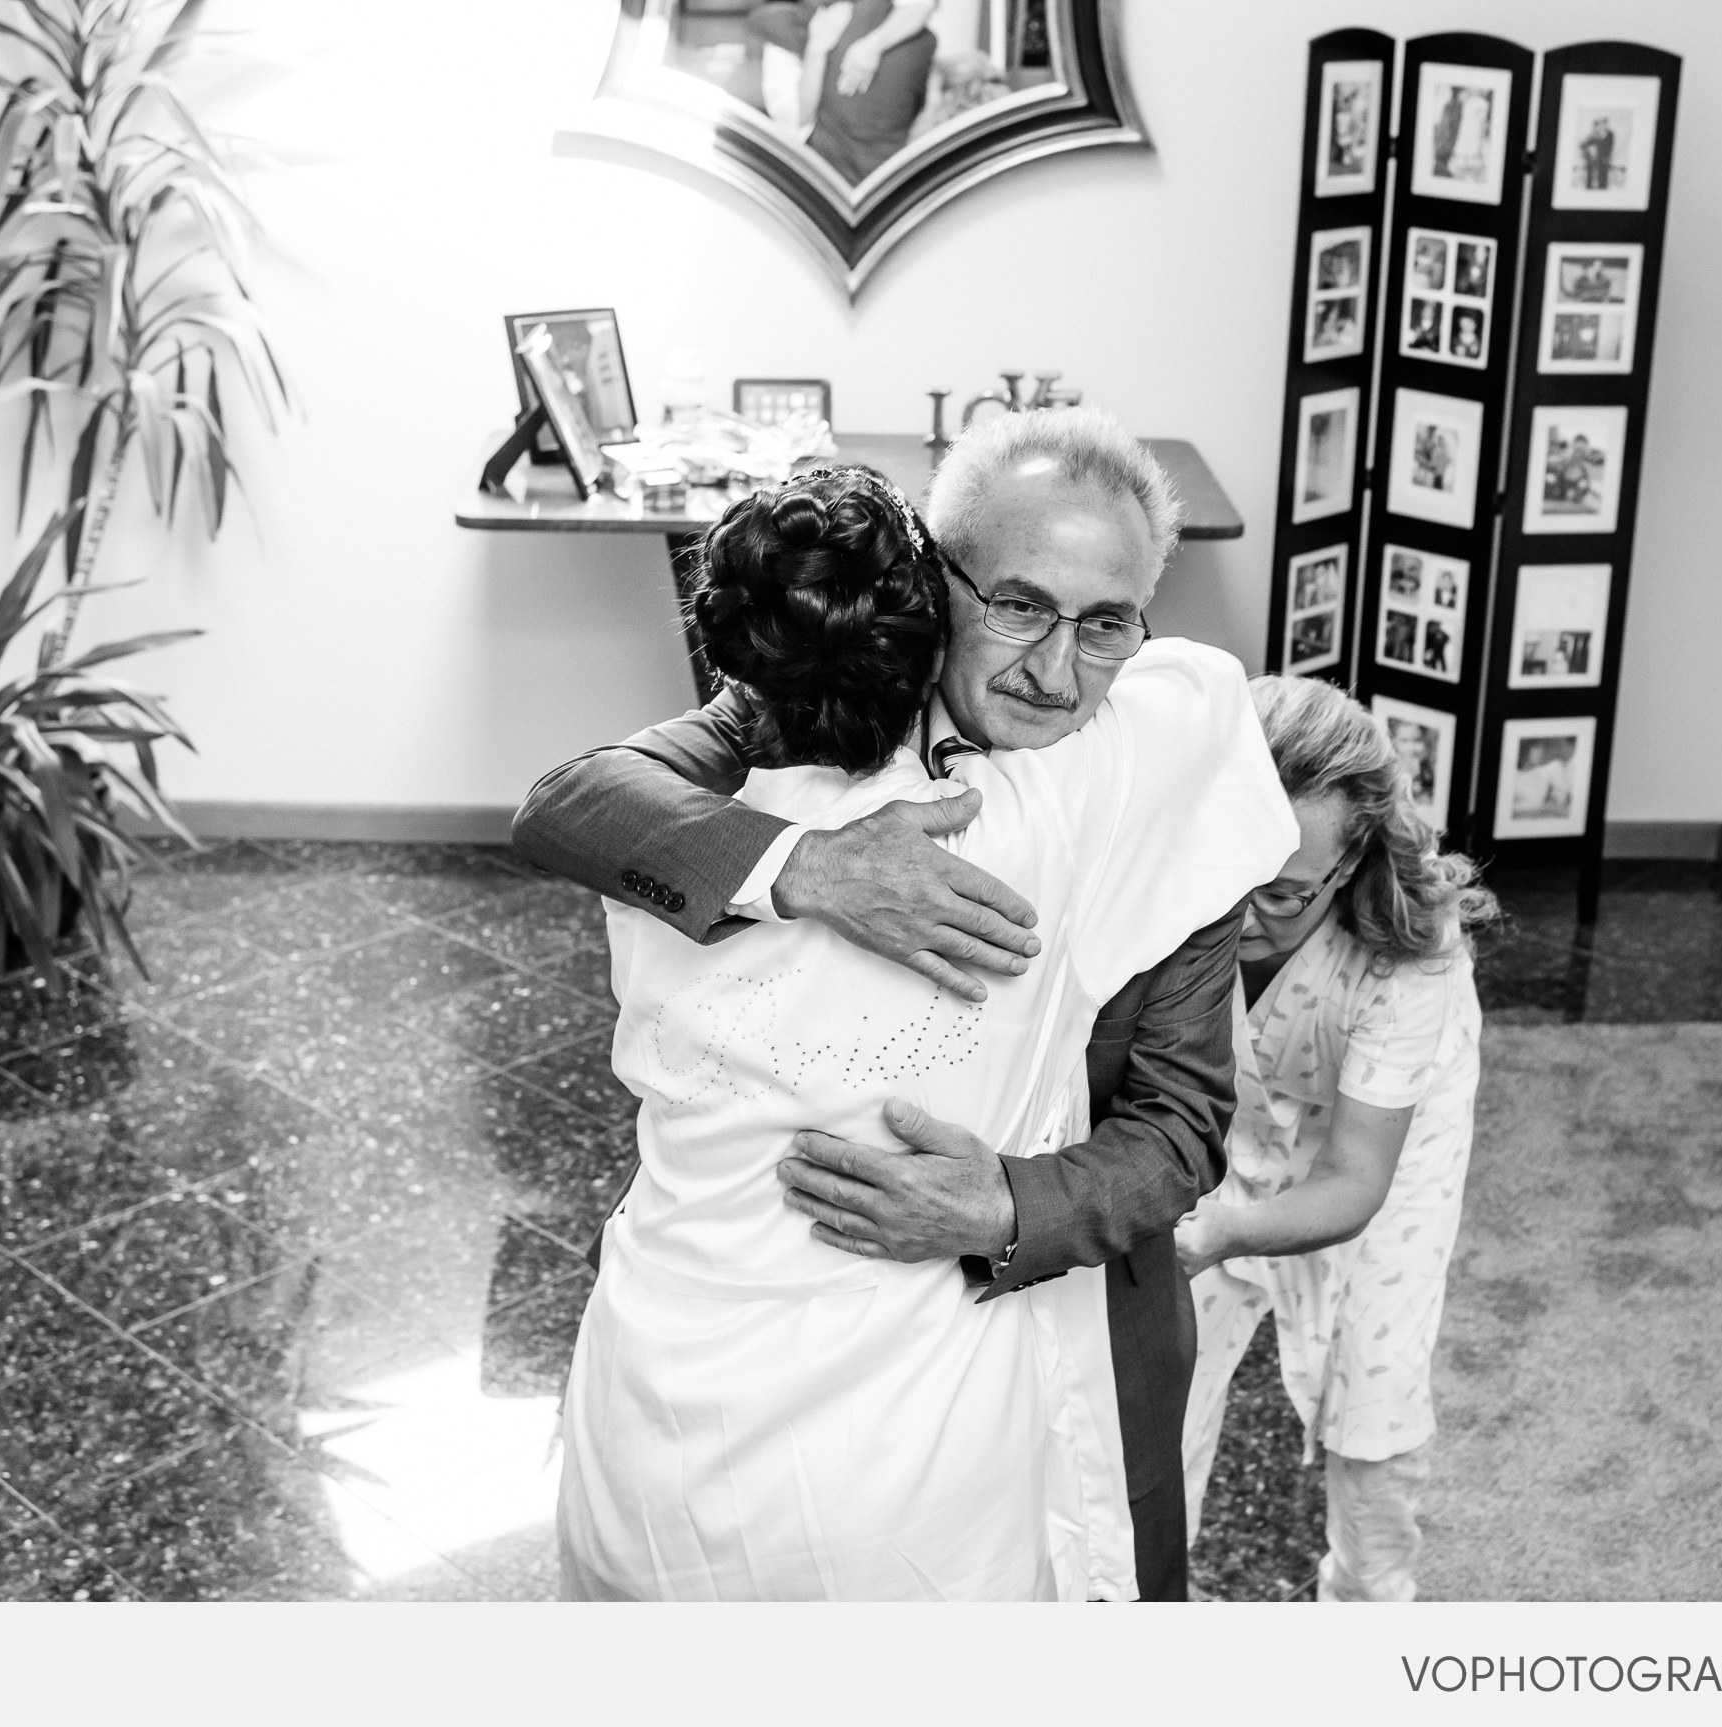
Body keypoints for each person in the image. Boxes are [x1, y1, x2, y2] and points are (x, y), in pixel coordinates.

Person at [514, 409, 1253, 1600]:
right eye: (1017, 606)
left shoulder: (1158, 786)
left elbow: (1181, 1126)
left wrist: (1006, 1203)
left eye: (1109, 624)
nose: (1058, 673)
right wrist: (803, 866)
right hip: (806, 1423)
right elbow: (568, 802)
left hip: (1071, 1335)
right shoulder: (794, 712)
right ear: (935, 580)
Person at [1174, 676, 1496, 1602]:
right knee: (1158, 1372)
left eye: (1282, 894)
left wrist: (1227, 1231)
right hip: (1234, 1100)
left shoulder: (1411, 963)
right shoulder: (1180, 878)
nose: (1243, 912)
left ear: (1349, 865)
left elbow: (1357, 1181)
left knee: (1376, 1381)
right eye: (1232, 874)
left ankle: (1368, 1603)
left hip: (1387, 1139)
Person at [749, 0, 938, 183]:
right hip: (848, 170)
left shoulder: (898, 21)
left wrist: (871, 46)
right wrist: (817, 50)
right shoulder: (784, 26)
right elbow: (797, 116)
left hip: (873, 168)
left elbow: (921, 6)